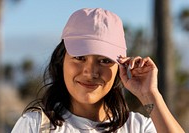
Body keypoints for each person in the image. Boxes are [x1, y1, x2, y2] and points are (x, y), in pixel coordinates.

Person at [11, 8, 184, 133]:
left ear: (120, 68)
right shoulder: (35, 126)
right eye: (80, 57)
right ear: (61, 60)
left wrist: (150, 95)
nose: (90, 71)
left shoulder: (137, 127)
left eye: (104, 61)